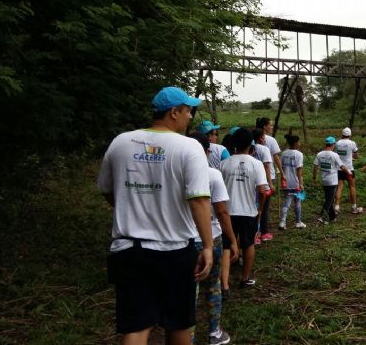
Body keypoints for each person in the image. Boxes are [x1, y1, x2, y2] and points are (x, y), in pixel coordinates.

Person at [97, 86, 213, 345]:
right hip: (175, 250)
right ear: (174, 112)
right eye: (188, 111)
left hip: (129, 249)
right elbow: (199, 199)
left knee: (137, 327)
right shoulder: (188, 147)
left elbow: (106, 189)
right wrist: (207, 245)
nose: (190, 117)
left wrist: (130, 207)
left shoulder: (121, 142)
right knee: (179, 324)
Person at [187, 132, 238, 345]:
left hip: (184, 242)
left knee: (187, 291)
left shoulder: (174, 173)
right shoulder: (213, 174)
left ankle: (186, 337)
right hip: (213, 238)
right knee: (213, 285)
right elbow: (222, 212)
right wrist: (233, 240)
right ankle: (214, 332)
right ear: (207, 151)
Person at [219, 128, 268, 289]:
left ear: (234, 144)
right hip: (248, 212)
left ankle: (224, 283)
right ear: (250, 144)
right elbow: (262, 190)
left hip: (227, 212)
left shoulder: (223, 164)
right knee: (248, 244)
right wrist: (259, 209)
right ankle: (245, 278)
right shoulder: (256, 164)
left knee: (226, 245)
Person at [255, 118, 281, 240]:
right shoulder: (270, 141)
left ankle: (256, 231)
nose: (271, 127)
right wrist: (281, 172)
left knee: (254, 205)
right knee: (264, 207)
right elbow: (275, 157)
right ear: (264, 127)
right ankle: (263, 232)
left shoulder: (251, 142)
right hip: (267, 177)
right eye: (270, 125)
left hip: (253, 178)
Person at [313, 136, 348, 224]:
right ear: (333, 144)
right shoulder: (334, 155)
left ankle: (332, 217)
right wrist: (349, 173)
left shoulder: (319, 154)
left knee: (329, 199)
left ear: (326, 144)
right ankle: (321, 217)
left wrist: (314, 178)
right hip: (332, 181)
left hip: (324, 180)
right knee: (329, 200)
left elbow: (315, 167)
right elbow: (342, 166)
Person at [250, 128, 274, 245]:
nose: (265, 139)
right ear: (260, 138)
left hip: (251, 184)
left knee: (253, 209)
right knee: (263, 209)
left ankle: (254, 234)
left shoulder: (250, 149)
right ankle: (262, 234)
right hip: (262, 184)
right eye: (264, 136)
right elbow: (267, 167)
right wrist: (270, 183)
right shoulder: (264, 149)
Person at [278, 134, 306, 229]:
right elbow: (299, 170)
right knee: (297, 202)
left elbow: (281, 167)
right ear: (295, 143)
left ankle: (282, 221)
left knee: (287, 201)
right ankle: (298, 222)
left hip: (286, 181)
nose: (299, 143)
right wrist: (301, 183)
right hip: (295, 182)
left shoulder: (284, 153)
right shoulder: (299, 154)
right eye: (298, 142)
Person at [334, 127, 363, 214]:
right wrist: (352, 157)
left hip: (339, 168)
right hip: (349, 169)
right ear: (350, 135)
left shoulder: (337, 143)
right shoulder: (352, 143)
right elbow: (356, 156)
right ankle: (354, 207)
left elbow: (336, 154)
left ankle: (336, 207)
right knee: (352, 187)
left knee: (339, 187)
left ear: (342, 134)